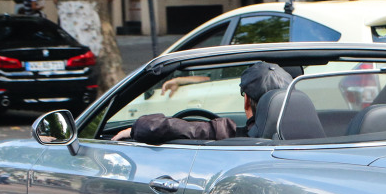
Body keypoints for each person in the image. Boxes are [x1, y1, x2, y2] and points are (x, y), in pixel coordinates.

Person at [113, 61, 293, 144]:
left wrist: (132, 130)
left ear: (246, 101)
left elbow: (162, 127)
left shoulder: (229, 134)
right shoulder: (313, 135)